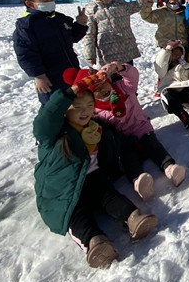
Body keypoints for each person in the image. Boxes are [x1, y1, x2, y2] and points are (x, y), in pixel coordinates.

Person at [33, 73, 157, 269]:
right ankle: (95, 242)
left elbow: (117, 141)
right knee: (75, 213)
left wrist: (135, 143)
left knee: (109, 195)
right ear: (65, 110)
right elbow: (44, 120)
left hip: (94, 177)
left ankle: (133, 218)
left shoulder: (96, 128)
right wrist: (70, 92)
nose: (85, 112)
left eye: (90, 106)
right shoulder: (54, 134)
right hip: (63, 189)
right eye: (78, 107)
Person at [67, 63, 187, 201]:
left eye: (103, 84)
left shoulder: (124, 88)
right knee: (128, 158)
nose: (102, 90)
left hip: (141, 128)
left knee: (154, 146)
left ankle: (170, 168)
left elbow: (133, 75)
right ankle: (139, 182)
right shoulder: (94, 111)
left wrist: (118, 68)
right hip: (123, 139)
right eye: (96, 90)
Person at [13, 0, 88, 104]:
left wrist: (80, 24)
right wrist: (39, 75)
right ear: (30, 3)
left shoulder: (58, 18)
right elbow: (25, 54)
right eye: (44, 0)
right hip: (50, 79)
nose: (50, 2)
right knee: (55, 107)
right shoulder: (27, 26)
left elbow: (72, 37)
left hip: (71, 71)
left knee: (77, 103)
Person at [82, 0, 143, 66]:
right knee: (112, 79)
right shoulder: (91, 10)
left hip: (126, 51)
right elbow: (89, 34)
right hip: (108, 54)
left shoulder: (120, 4)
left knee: (129, 78)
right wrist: (90, 55)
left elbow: (140, 4)